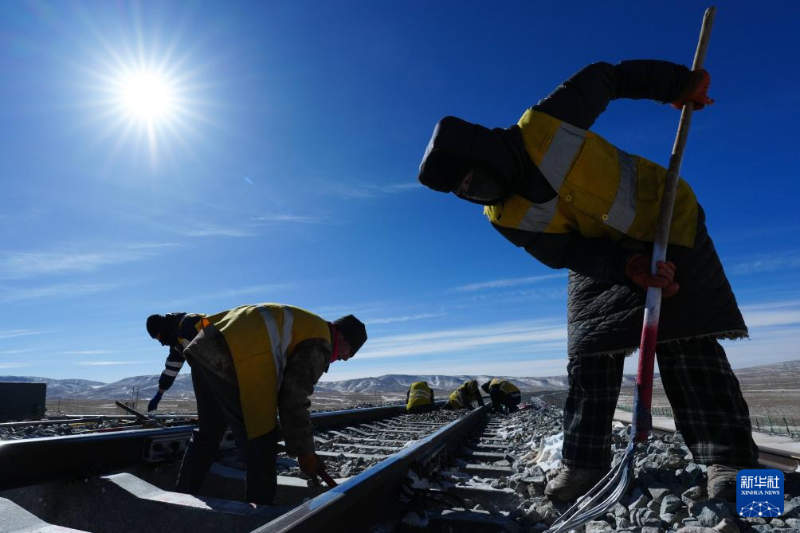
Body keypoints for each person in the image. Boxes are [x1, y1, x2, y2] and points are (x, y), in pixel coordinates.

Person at [417, 59, 758, 502]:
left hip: (667, 219)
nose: (479, 193)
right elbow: (566, 252)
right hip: (601, 254)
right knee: (588, 350)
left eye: (476, 181)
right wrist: (628, 267)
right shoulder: (503, 216)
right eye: (467, 193)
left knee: (684, 339)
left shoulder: (544, 124)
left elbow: (608, 77)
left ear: (486, 154)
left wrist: (678, 85)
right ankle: (584, 462)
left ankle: (737, 469)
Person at [146, 304, 367, 504]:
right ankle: (260, 512)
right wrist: (305, 452)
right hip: (233, 357)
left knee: (209, 431)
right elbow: (294, 399)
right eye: (350, 352)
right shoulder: (320, 340)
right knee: (261, 439)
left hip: (203, 348)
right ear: (342, 337)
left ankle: (182, 495)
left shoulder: (308, 325)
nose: (346, 358)